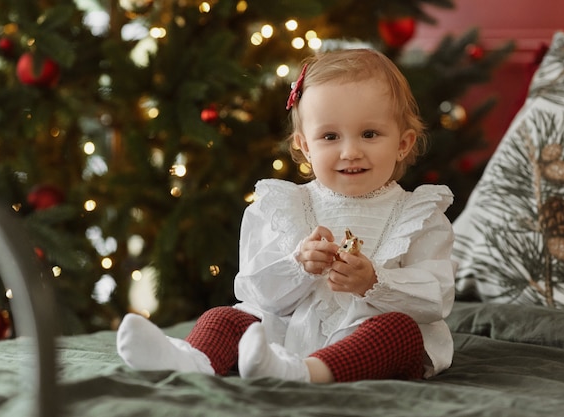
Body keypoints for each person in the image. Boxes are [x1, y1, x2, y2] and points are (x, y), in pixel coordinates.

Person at [116, 48, 455, 383]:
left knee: (399, 332)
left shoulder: (418, 215)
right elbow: (256, 291)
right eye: (330, 136)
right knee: (226, 317)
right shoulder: (285, 206)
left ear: (403, 143)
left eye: (369, 134)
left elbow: (435, 297)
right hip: (286, 334)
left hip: (366, 340)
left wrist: (375, 282)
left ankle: (309, 372)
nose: (350, 151)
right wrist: (299, 265)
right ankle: (190, 360)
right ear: (305, 146)